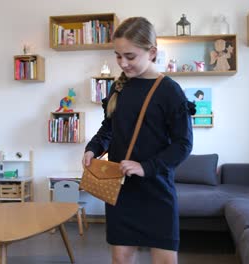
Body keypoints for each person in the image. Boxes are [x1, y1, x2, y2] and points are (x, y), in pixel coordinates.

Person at [82, 17, 193, 264]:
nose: (123, 63)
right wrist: (93, 148)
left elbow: (183, 144)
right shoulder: (117, 88)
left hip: (157, 191)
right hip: (121, 190)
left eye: (130, 56)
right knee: (120, 259)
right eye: (118, 56)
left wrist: (145, 167)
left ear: (151, 52)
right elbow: (108, 129)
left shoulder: (170, 91)